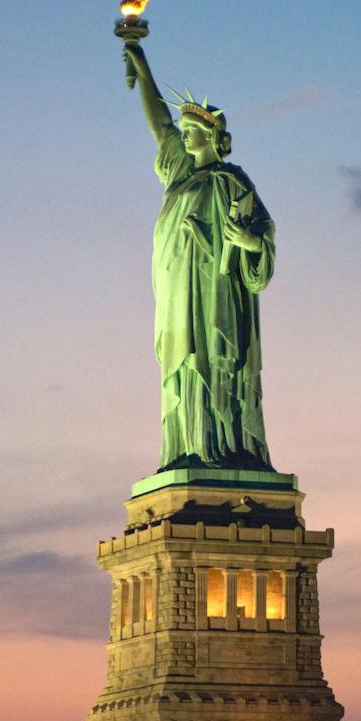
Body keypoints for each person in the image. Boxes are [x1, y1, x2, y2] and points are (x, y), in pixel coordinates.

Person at [122, 38, 277, 472]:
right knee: (181, 362)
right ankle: (186, 446)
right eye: (184, 128)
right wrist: (141, 65)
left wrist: (249, 245)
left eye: (191, 129)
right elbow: (159, 125)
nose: (182, 133)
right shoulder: (179, 174)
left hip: (216, 291)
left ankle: (224, 446)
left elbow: (263, 232)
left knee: (214, 358)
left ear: (212, 136)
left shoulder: (231, 181)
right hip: (176, 288)